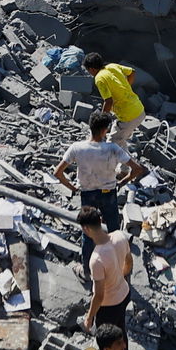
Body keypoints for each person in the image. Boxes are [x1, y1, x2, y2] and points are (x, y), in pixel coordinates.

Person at [56, 110, 146, 268]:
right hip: (108, 193)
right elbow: (137, 169)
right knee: (114, 231)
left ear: (90, 127)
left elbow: (58, 172)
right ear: (105, 130)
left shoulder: (77, 148)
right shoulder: (113, 148)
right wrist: (123, 182)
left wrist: (72, 187)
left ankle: (87, 269)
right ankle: (117, 265)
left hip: (87, 194)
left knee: (89, 233)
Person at [79, 206, 132, 350]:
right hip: (124, 294)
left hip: (109, 306)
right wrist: (120, 276)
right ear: (100, 221)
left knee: (107, 344)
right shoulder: (119, 236)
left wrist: (89, 317)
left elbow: (99, 295)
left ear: (86, 229)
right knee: (121, 332)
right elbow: (129, 263)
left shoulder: (97, 259)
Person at [85, 53, 144, 148]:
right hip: (139, 109)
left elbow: (108, 101)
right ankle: (127, 161)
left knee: (112, 145)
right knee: (119, 139)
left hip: (128, 117)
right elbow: (132, 72)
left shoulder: (99, 79)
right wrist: (126, 88)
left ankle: (123, 162)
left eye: (88, 70)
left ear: (91, 69)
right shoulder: (112, 66)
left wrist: (102, 121)